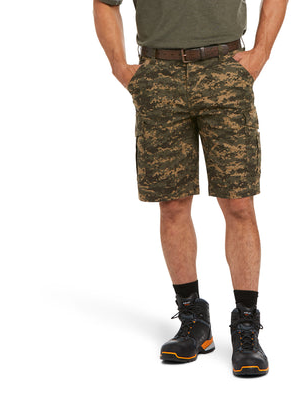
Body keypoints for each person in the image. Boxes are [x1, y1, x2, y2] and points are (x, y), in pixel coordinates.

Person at [93, 0, 288, 376]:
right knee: (172, 205)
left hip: (225, 70)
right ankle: (192, 320)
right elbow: (105, 3)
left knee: (239, 204)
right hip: (158, 76)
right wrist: (120, 66)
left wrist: (261, 52)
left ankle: (247, 325)